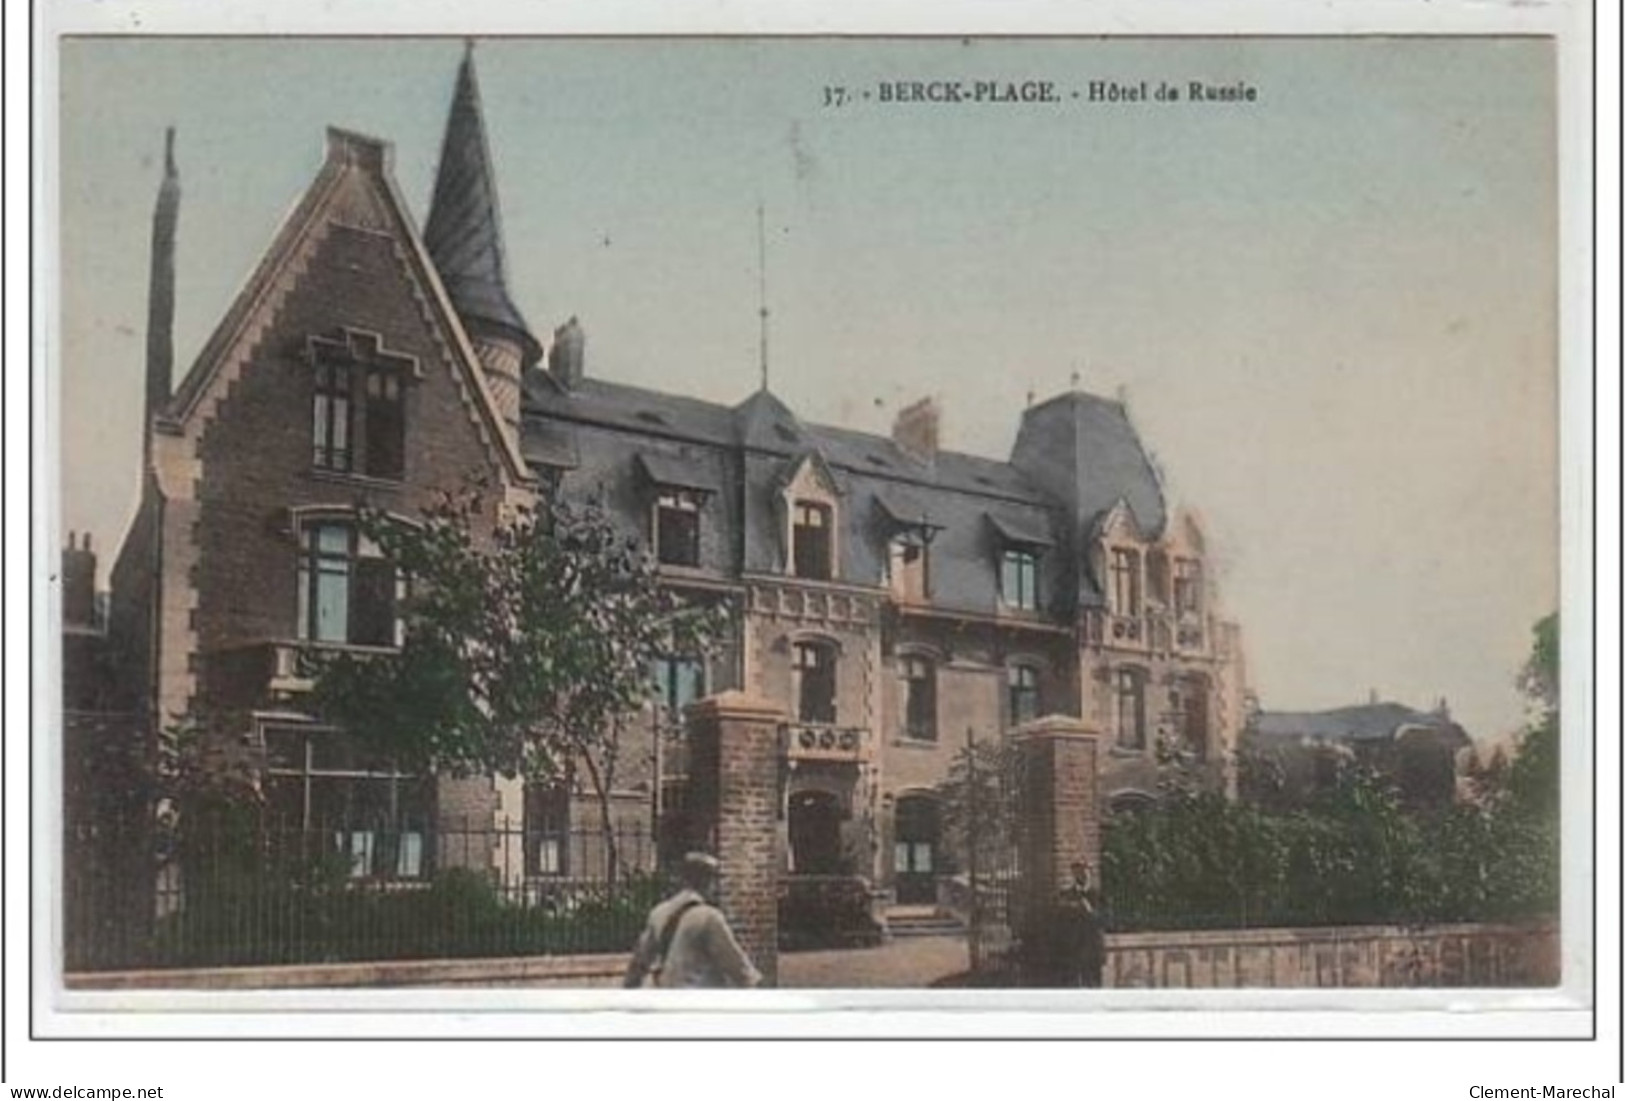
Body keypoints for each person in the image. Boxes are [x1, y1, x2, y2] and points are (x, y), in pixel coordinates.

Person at [623, 851, 763, 989]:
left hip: (666, 999)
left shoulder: (658, 913)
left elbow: (639, 964)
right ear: (707, 882)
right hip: (700, 1001)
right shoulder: (709, 917)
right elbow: (736, 966)